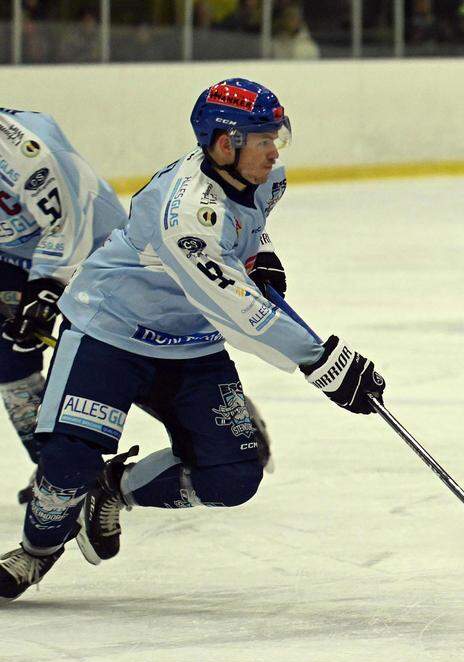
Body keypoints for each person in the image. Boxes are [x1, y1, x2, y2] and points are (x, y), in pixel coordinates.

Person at [0, 79, 388, 602]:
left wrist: (259, 253)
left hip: (189, 344)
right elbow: (236, 308)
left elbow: (247, 230)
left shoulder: (266, 180)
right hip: (108, 331)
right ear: (225, 144)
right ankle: (37, 551)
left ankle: (117, 488)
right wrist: (321, 362)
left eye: (278, 138)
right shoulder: (186, 216)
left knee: (232, 477)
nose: (275, 152)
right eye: (263, 140)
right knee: (69, 461)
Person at [0, 108, 124, 504]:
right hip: (12, 252)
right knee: (7, 360)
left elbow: (69, 223)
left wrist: (45, 290)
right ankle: (58, 471)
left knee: (112, 354)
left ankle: (211, 412)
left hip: (91, 242)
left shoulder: (26, 151)